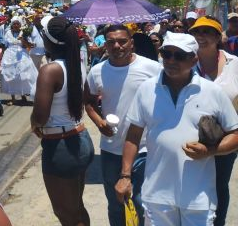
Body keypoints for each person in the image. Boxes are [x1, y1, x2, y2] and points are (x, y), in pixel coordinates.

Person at [115, 32, 238, 225]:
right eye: (166, 54)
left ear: (194, 59)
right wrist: (125, 175)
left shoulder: (212, 91)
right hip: (157, 196)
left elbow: (235, 133)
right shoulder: (147, 89)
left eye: (179, 56)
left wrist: (211, 151)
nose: (171, 60)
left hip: (199, 197)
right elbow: (133, 135)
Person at [84, 24, 162, 226]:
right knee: (116, 203)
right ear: (105, 46)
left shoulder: (153, 69)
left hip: (146, 148)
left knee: (141, 202)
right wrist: (99, 121)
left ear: (132, 43)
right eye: (111, 42)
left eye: (122, 41)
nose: (117, 46)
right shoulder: (97, 71)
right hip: (111, 148)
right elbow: (89, 102)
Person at [31, 16, 94, 226]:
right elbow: (85, 97)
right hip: (80, 137)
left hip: (61, 146)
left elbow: (41, 115)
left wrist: (34, 124)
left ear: (49, 42)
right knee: (76, 207)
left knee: (65, 213)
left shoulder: (50, 70)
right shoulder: (76, 64)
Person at [189, 16, 238, 225]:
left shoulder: (234, 64)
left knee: (219, 185)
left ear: (218, 37)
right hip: (189, 135)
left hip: (225, 137)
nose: (201, 36)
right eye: (197, 32)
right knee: (191, 185)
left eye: (208, 32)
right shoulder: (184, 61)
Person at [1, 18, 37, 105]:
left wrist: (22, 39)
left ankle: (23, 95)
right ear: (12, 25)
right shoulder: (8, 33)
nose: (16, 25)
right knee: (10, 76)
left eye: (18, 24)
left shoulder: (24, 33)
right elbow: (4, 45)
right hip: (9, 56)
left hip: (21, 55)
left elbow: (28, 45)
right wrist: (2, 56)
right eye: (14, 24)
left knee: (23, 76)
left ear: (20, 25)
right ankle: (13, 98)